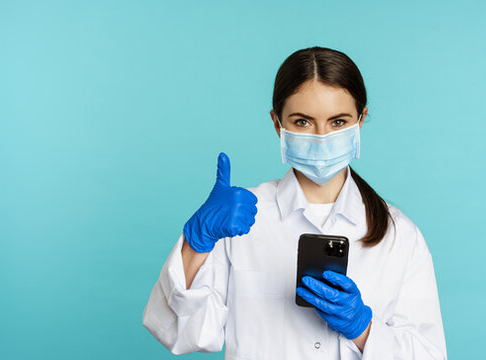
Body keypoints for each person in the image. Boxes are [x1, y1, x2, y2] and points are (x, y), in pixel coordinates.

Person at [142, 46, 447, 359]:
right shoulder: (239, 219)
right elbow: (178, 333)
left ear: (361, 119)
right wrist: (197, 242)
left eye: (338, 122)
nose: (321, 136)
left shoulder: (400, 236)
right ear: (278, 123)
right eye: (303, 122)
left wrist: (363, 330)